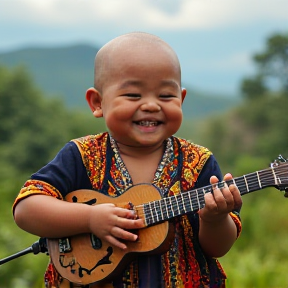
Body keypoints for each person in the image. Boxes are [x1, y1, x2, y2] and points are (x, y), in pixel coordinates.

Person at [13, 32, 242, 288]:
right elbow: (26, 209)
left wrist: (215, 219)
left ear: (182, 99)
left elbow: (217, 248)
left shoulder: (198, 162)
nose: (151, 105)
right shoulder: (82, 155)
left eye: (166, 96)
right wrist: (89, 219)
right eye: (133, 95)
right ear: (97, 102)